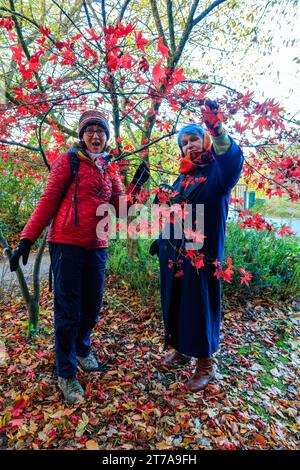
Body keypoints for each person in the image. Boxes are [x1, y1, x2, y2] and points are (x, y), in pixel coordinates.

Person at [10, 110, 149, 404]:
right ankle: (66, 372)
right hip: (67, 243)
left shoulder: (109, 168)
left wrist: (136, 187)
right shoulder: (68, 161)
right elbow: (48, 200)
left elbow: (123, 210)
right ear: (82, 136)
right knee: (68, 309)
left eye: (101, 131)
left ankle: (82, 348)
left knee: (92, 305)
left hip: (97, 244)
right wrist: (26, 239)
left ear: (106, 137)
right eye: (90, 131)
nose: (96, 136)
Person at [150, 100, 244, 392]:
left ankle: (205, 364)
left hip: (201, 253)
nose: (189, 144)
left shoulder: (217, 172)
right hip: (174, 253)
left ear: (203, 140)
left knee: (199, 303)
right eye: (184, 141)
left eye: (193, 138)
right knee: (175, 300)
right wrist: (161, 233)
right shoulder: (181, 177)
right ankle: (180, 349)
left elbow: (232, 161)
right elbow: (168, 211)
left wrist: (216, 129)